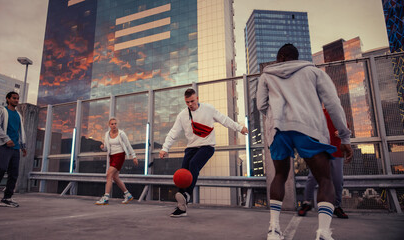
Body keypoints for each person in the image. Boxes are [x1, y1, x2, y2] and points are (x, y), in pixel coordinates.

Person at [256, 44, 353, 240]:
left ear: (282, 56)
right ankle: (323, 233)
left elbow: (261, 105)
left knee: (280, 176)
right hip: (308, 128)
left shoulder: (266, 76)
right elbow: (333, 103)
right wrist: (344, 136)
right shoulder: (314, 72)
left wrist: (276, 117)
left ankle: (274, 229)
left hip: (279, 131)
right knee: (325, 179)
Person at [159, 88, 248, 217]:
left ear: (197, 99)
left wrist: (239, 128)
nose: (190, 104)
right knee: (183, 172)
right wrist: (165, 148)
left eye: (192, 101)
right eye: (187, 102)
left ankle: (187, 195)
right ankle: (181, 207)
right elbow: (173, 133)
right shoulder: (182, 115)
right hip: (191, 148)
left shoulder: (208, 109)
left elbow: (224, 120)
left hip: (207, 146)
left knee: (194, 164)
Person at [298, 108, 349, 219]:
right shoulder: (316, 112)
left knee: (337, 180)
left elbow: (346, 129)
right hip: (320, 152)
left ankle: (336, 206)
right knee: (312, 178)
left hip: (336, 152)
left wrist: (341, 132)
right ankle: (307, 203)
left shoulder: (338, 112)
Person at [0, 91, 27, 207]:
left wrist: (23, 146)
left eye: (18, 98)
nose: (16, 100)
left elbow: (20, 131)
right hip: (3, 145)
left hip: (15, 147)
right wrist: (6, 139)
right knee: (2, 169)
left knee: (14, 174)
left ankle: (6, 198)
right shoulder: (0, 111)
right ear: (8, 99)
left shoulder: (18, 115)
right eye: (14, 98)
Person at [96, 117, 138, 205]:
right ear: (109, 125)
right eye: (112, 124)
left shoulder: (121, 133)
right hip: (112, 156)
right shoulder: (107, 134)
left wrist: (134, 156)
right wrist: (103, 147)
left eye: (115, 123)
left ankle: (106, 197)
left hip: (120, 155)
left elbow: (128, 145)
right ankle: (128, 194)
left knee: (109, 174)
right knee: (115, 177)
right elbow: (107, 148)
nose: (114, 125)